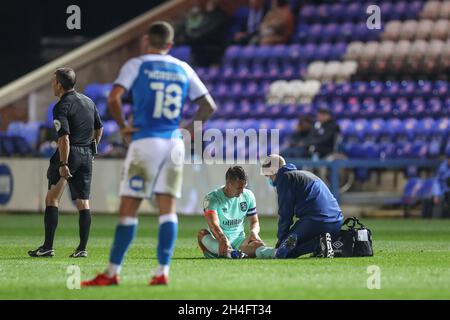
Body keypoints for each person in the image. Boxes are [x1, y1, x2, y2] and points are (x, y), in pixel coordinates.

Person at [82, 21, 217, 287]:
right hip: (173, 143)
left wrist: (122, 128)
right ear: (170, 45)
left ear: (147, 41)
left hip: (146, 141)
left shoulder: (137, 64)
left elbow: (113, 98)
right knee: (168, 210)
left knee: (129, 208)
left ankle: (111, 272)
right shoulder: (183, 68)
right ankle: (162, 272)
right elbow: (208, 106)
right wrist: (187, 132)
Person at [28, 68, 103, 258]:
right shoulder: (88, 101)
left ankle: (47, 247)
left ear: (59, 85)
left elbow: (64, 138)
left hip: (69, 155)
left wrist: (63, 163)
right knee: (83, 202)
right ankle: (82, 249)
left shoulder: (61, 106)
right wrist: (93, 148)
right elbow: (99, 128)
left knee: (52, 199)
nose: (52, 84)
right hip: (86, 154)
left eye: (53, 81)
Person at [261, 154, 344, 259]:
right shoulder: (304, 174)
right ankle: (324, 243)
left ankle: (318, 244)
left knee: (284, 252)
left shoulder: (285, 178)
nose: (269, 179)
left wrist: (282, 239)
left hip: (316, 221)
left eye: (268, 175)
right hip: (336, 222)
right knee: (291, 244)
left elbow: (285, 213)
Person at [198, 166, 277, 259]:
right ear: (228, 184)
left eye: (244, 187)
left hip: (239, 241)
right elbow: (213, 225)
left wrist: (254, 233)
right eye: (239, 188)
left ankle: (277, 253)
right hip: (218, 240)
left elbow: (254, 221)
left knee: (259, 245)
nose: (242, 191)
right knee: (202, 234)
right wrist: (223, 239)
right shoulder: (212, 198)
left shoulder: (248, 195)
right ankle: (229, 252)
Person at [184, 0, 229, 66]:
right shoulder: (204, 15)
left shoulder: (220, 15)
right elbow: (196, 29)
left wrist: (191, 36)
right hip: (200, 49)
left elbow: (206, 33)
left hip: (214, 50)